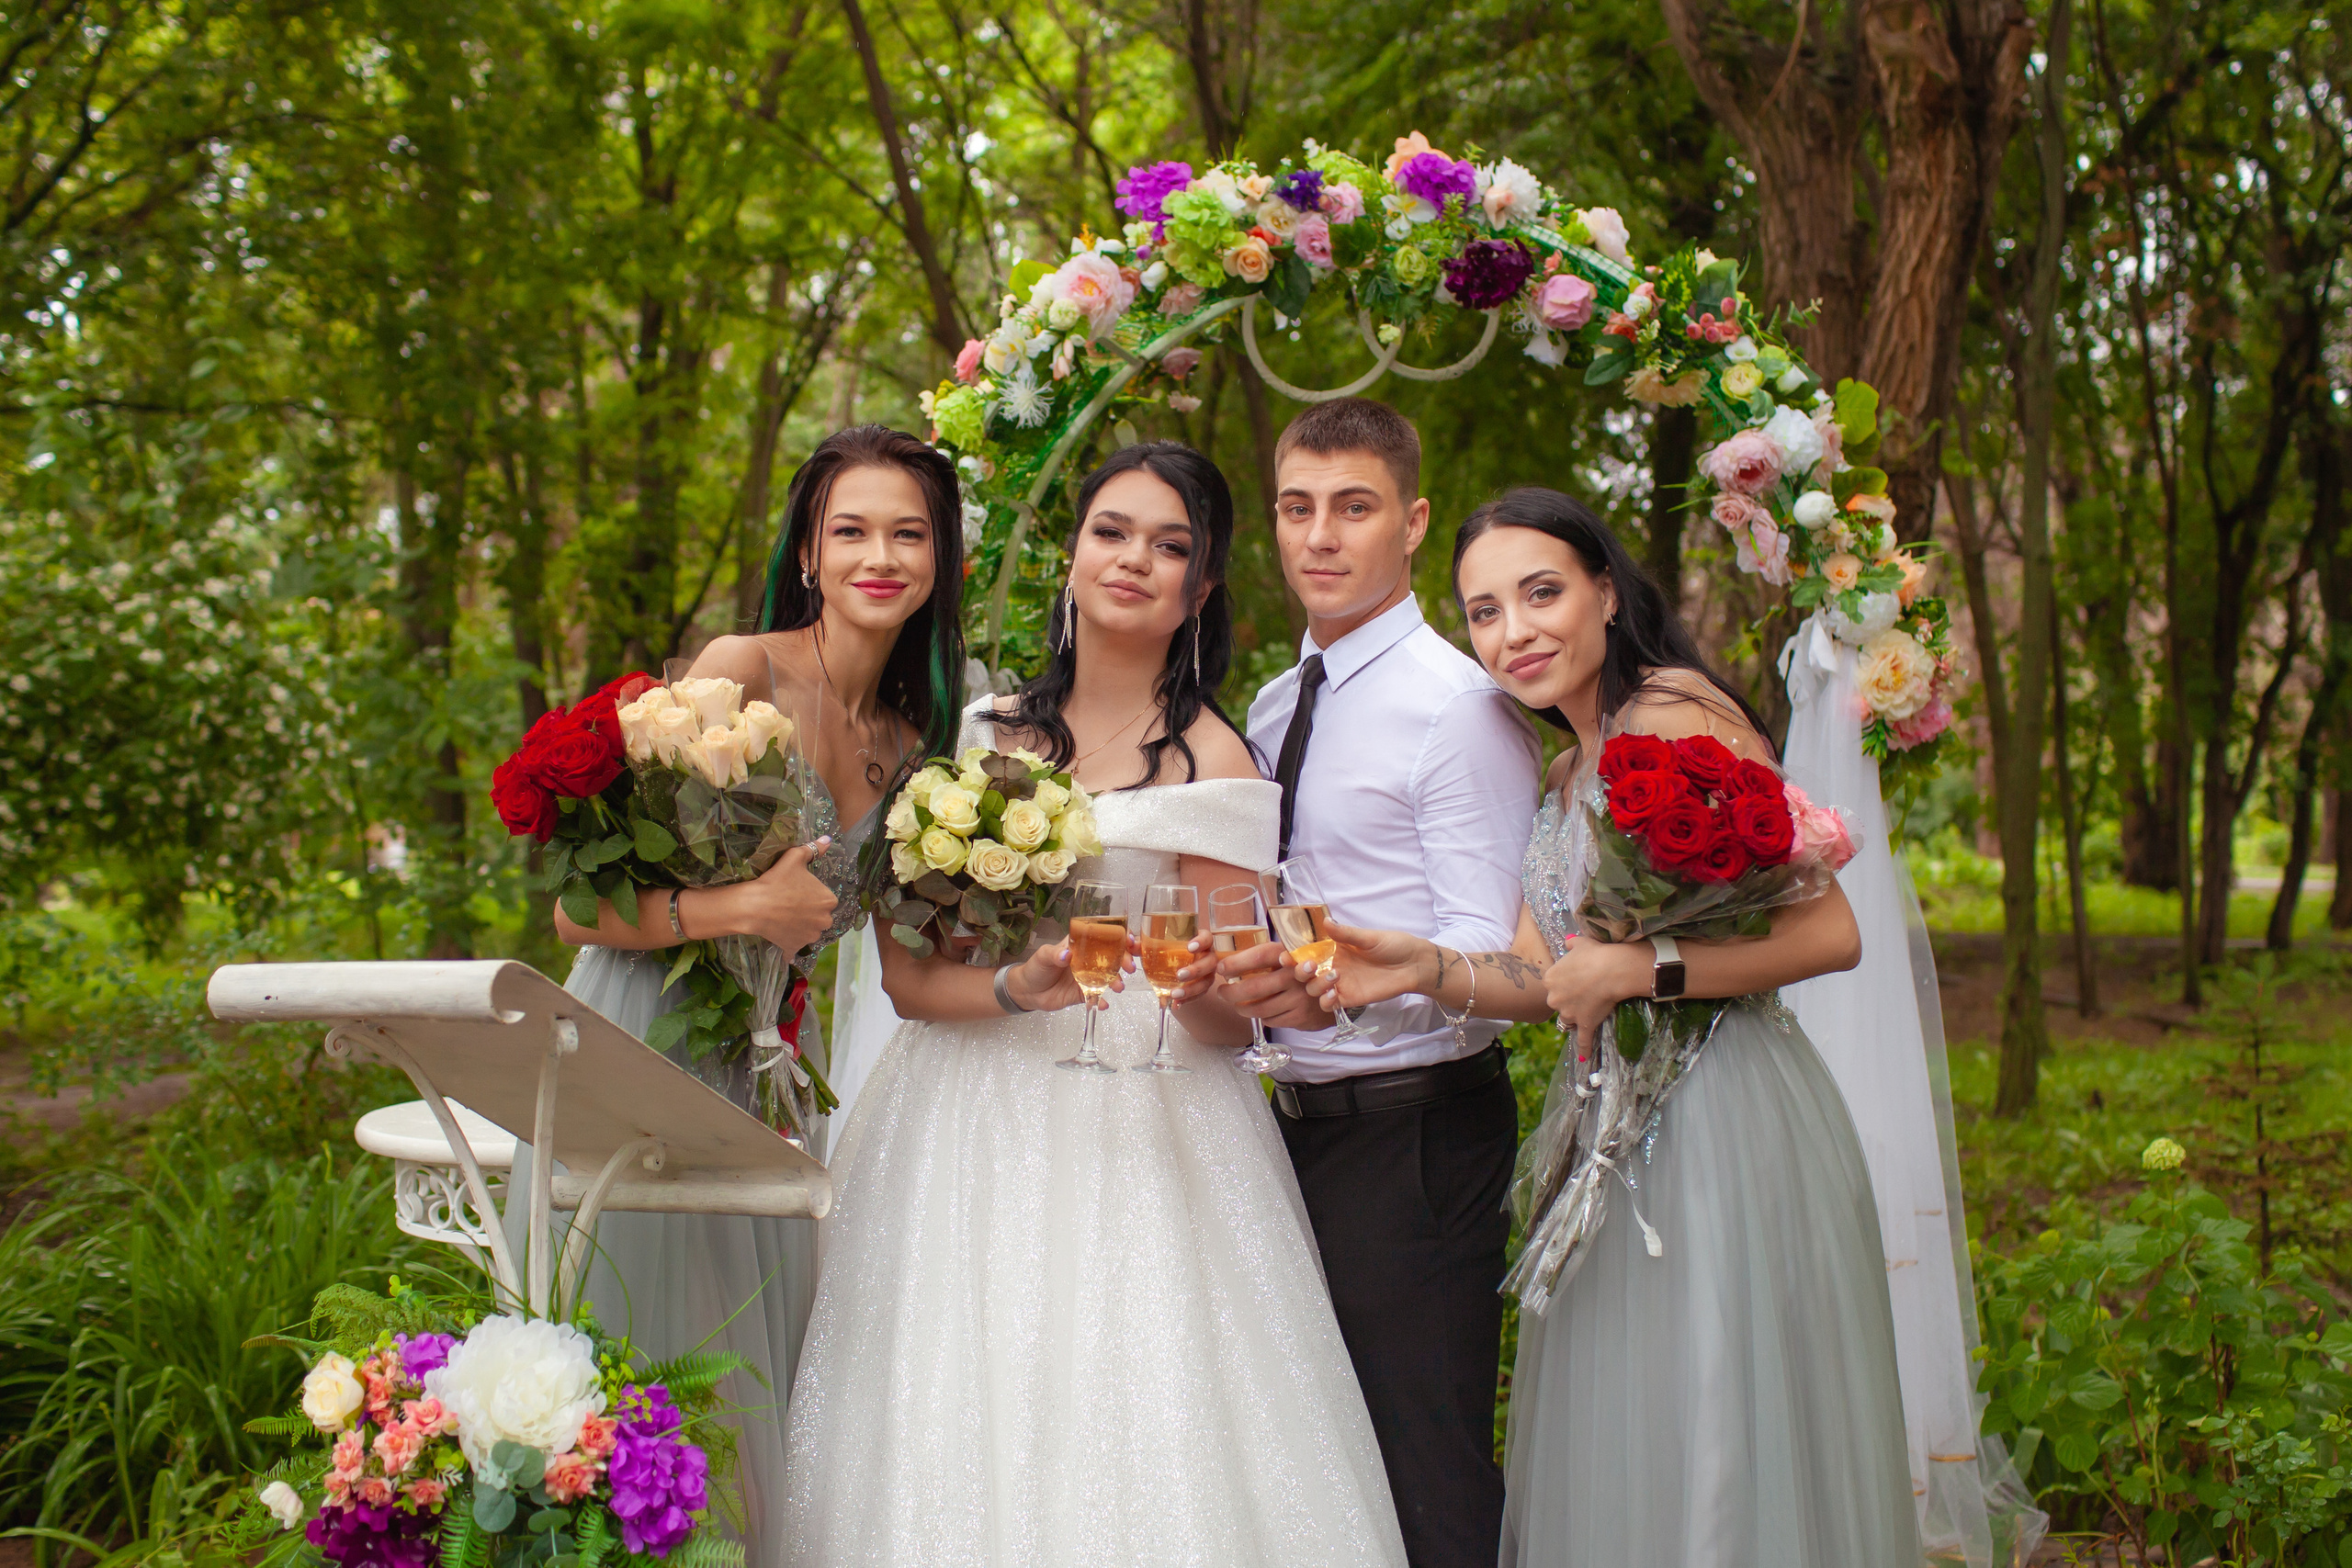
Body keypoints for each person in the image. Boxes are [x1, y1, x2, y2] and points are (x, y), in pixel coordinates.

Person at [781, 441, 1407, 1568]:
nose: (1135, 562)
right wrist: (1017, 986)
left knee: (1134, 1406)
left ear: (1201, 589)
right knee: (952, 1406)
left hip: (1148, 1113)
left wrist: (1244, 991)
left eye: (1172, 548)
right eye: (1111, 532)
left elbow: (1226, 1013)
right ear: (1071, 556)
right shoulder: (976, 735)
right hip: (962, 1116)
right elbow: (923, 984)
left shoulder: (1218, 762)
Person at [1295, 486, 1918, 1564]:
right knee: (1638, 1414)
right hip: (1607, 1131)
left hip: (1722, 1116)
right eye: (1483, 612)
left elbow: (1828, 936)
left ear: (1605, 591)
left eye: (1539, 592)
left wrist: (1646, 967)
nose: (1514, 631)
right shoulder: (1564, 768)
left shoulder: (1674, 712)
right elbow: (1543, 979)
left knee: (1717, 1408)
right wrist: (1421, 968)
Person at [529, 423, 967, 1568]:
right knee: (630, 1363)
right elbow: (575, 913)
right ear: (810, 554)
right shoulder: (742, 667)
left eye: (909, 533)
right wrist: (737, 913)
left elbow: (898, 948)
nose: (882, 555)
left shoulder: (914, 739)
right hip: (643, 1040)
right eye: (852, 530)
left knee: (746, 1376)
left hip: (770, 1068)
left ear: (941, 560)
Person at [1194, 398, 1540, 1568]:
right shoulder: (1277, 703)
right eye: (1298, 508)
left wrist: (1362, 984)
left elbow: (1503, 962)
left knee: (1425, 1461)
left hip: (1414, 1137)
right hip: (1285, 1124)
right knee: (1317, 1460)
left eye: (1354, 507)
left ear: (1413, 522)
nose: (1320, 537)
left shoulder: (1459, 710)